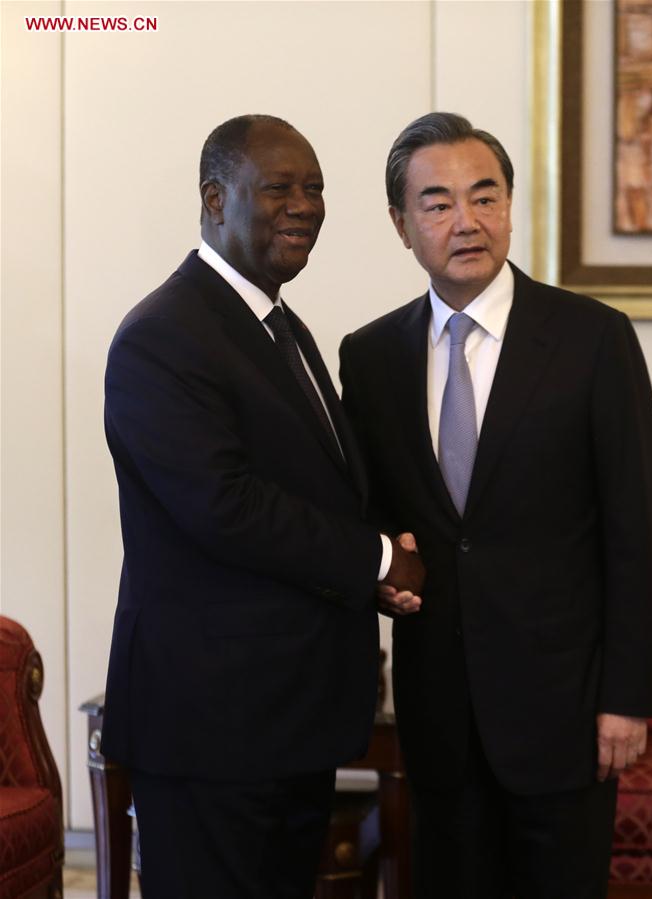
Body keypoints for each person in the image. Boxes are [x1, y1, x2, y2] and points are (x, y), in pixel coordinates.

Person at [339, 112, 652, 899]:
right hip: (438, 714)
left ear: (511, 207)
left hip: (565, 712)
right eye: (438, 203)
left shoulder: (593, 339)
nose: (467, 221)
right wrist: (382, 574)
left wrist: (626, 698)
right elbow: (376, 516)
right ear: (401, 225)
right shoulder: (371, 356)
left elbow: (638, 531)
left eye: (485, 197)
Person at [101, 113, 424, 899]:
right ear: (215, 198)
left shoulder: (278, 325)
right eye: (279, 187)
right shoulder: (163, 335)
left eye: (315, 188)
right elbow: (226, 505)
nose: (304, 205)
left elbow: (312, 488)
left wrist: (374, 558)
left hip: (286, 722)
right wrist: (378, 558)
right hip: (211, 727)